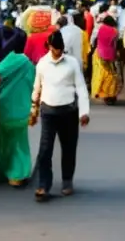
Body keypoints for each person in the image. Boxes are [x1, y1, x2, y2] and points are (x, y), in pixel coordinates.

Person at [31, 30, 89, 202]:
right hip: (48, 111)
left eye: (61, 48)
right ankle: (43, 185)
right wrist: (33, 109)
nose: (58, 52)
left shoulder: (72, 63)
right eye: (55, 48)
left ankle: (67, 181)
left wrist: (84, 112)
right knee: (45, 150)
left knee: (69, 148)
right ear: (49, 47)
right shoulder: (42, 64)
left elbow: (81, 87)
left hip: (69, 111)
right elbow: (37, 87)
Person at [0, 29, 35, 187]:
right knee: (20, 143)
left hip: (4, 108)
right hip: (22, 109)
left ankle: (7, 170)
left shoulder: (7, 61)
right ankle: (18, 173)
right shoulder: (28, 63)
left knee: (5, 142)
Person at [91, 14, 122, 104]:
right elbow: (114, 45)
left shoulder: (100, 28)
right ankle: (110, 93)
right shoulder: (115, 31)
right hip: (110, 55)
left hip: (98, 54)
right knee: (111, 75)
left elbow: (94, 40)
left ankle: (100, 92)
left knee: (100, 74)